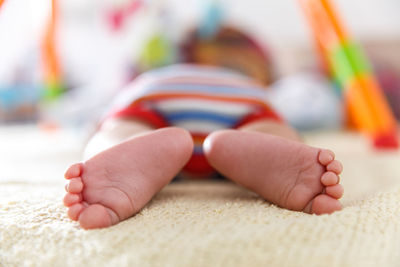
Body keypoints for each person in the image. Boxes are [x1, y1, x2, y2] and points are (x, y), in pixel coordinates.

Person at [63, 64, 343, 229]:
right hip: (243, 103)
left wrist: (97, 131)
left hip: (155, 95)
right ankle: (268, 145)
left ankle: (119, 149)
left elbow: (88, 120)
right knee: (270, 130)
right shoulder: (255, 85)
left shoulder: (149, 79)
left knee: (120, 128)